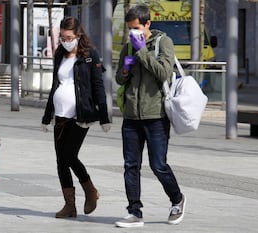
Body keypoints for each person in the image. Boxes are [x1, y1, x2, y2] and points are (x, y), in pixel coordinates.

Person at [114, 5, 186, 228]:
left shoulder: (163, 42)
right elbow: (119, 79)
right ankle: (134, 211)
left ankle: (177, 199)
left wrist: (142, 51)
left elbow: (164, 72)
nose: (132, 33)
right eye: (130, 29)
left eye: (136, 28)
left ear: (147, 24)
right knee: (130, 165)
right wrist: (125, 69)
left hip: (156, 116)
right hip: (131, 117)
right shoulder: (128, 47)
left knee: (158, 165)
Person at [41, 17, 111, 218]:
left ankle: (90, 190)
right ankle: (69, 205)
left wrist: (104, 116)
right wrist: (47, 116)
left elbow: (98, 86)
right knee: (60, 161)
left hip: (81, 114)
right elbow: (55, 85)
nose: (65, 41)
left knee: (69, 155)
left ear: (78, 35)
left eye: (69, 37)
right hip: (60, 115)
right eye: (62, 37)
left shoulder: (90, 55)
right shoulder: (59, 54)